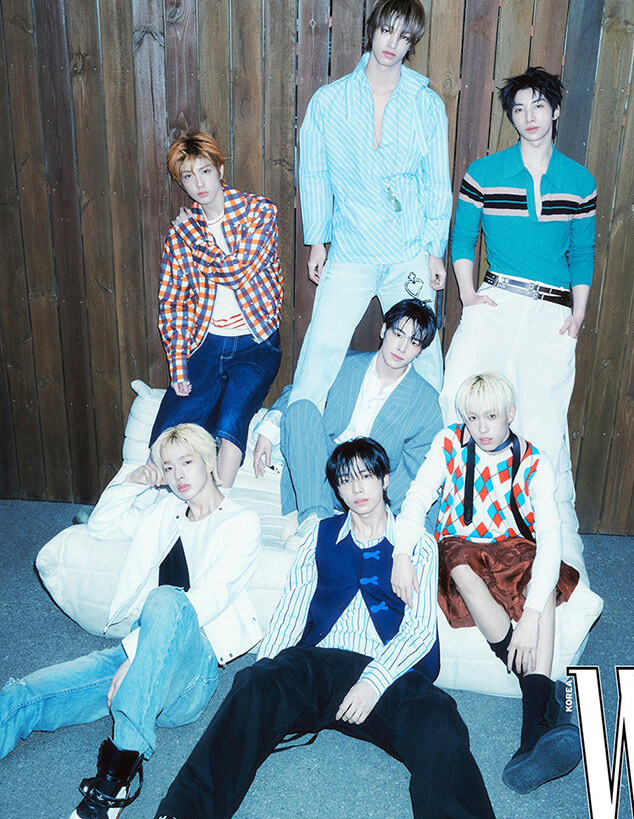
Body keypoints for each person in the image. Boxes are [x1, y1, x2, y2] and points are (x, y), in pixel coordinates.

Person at [118, 438, 536, 819]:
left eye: (366, 476)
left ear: (385, 479)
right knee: (254, 684)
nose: (357, 488)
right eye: (346, 480)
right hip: (317, 666)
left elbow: (418, 632)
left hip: (388, 673)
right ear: (336, 488)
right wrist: (267, 674)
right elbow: (291, 611)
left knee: (439, 718)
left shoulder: (416, 545)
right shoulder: (318, 535)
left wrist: (373, 681)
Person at [0, 424, 262, 819]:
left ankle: (116, 777)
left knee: (167, 599)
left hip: (192, 674)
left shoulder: (241, 523)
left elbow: (206, 601)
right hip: (136, 654)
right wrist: (132, 481)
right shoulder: (163, 511)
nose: (178, 475)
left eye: (187, 462)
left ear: (210, 461)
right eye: (168, 467)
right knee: (27, 694)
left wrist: (134, 658)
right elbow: (101, 525)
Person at [441, 67, 597, 586]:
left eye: (539, 106)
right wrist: (468, 296)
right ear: (511, 117)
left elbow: (582, 252)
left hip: (552, 314)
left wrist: (578, 312)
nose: (529, 117)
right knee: (457, 395)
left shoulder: (579, 181)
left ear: (555, 111)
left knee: (541, 428)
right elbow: (463, 238)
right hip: (496, 301)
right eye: (519, 108)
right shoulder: (484, 172)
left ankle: (545, 547)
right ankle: (459, 518)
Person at [392, 373, 582, 794]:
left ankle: (532, 734)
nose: (481, 428)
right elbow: (418, 496)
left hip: (514, 545)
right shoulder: (449, 443)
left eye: (491, 416)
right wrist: (402, 552)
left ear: (510, 414)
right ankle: (542, 704)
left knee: (542, 573)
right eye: (472, 417)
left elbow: (550, 537)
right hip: (460, 544)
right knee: (459, 564)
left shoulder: (534, 461)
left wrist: (530, 616)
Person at [290, 0, 452, 408]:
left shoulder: (426, 105)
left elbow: (436, 183)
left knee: (424, 352)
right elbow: (315, 173)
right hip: (351, 248)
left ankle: (432, 439)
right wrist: (318, 240)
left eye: (404, 36)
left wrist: (435, 248)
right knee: (321, 348)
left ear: (412, 43)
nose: (392, 44)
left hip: (408, 249)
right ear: (372, 29)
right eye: (386, 31)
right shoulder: (329, 101)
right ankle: (296, 428)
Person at [150, 132, 284, 487]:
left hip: (255, 340)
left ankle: (221, 500)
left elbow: (236, 273)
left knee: (232, 417)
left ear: (220, 170)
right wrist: (178, 364)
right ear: (181, 182)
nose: (199, 184)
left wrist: (194, 237)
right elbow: (173, 302)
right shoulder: (178, 236)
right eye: (189, 176)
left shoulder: (259, 212)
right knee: (175, 423)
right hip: (206, 341)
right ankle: (149, 497)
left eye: (205, 171)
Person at [253, 299, 442, 549]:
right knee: (301, 408)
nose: (402, 347)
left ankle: (358, 526)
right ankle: (315, 521)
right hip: (322, 477)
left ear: (420, 350)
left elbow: (419, 469)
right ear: (383, 330)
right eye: (398, 334)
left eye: (414, 342)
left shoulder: (425, 400)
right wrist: (269, 428)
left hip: (372, 489)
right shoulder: (344, 364)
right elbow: (299, 390)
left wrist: (405, 528)